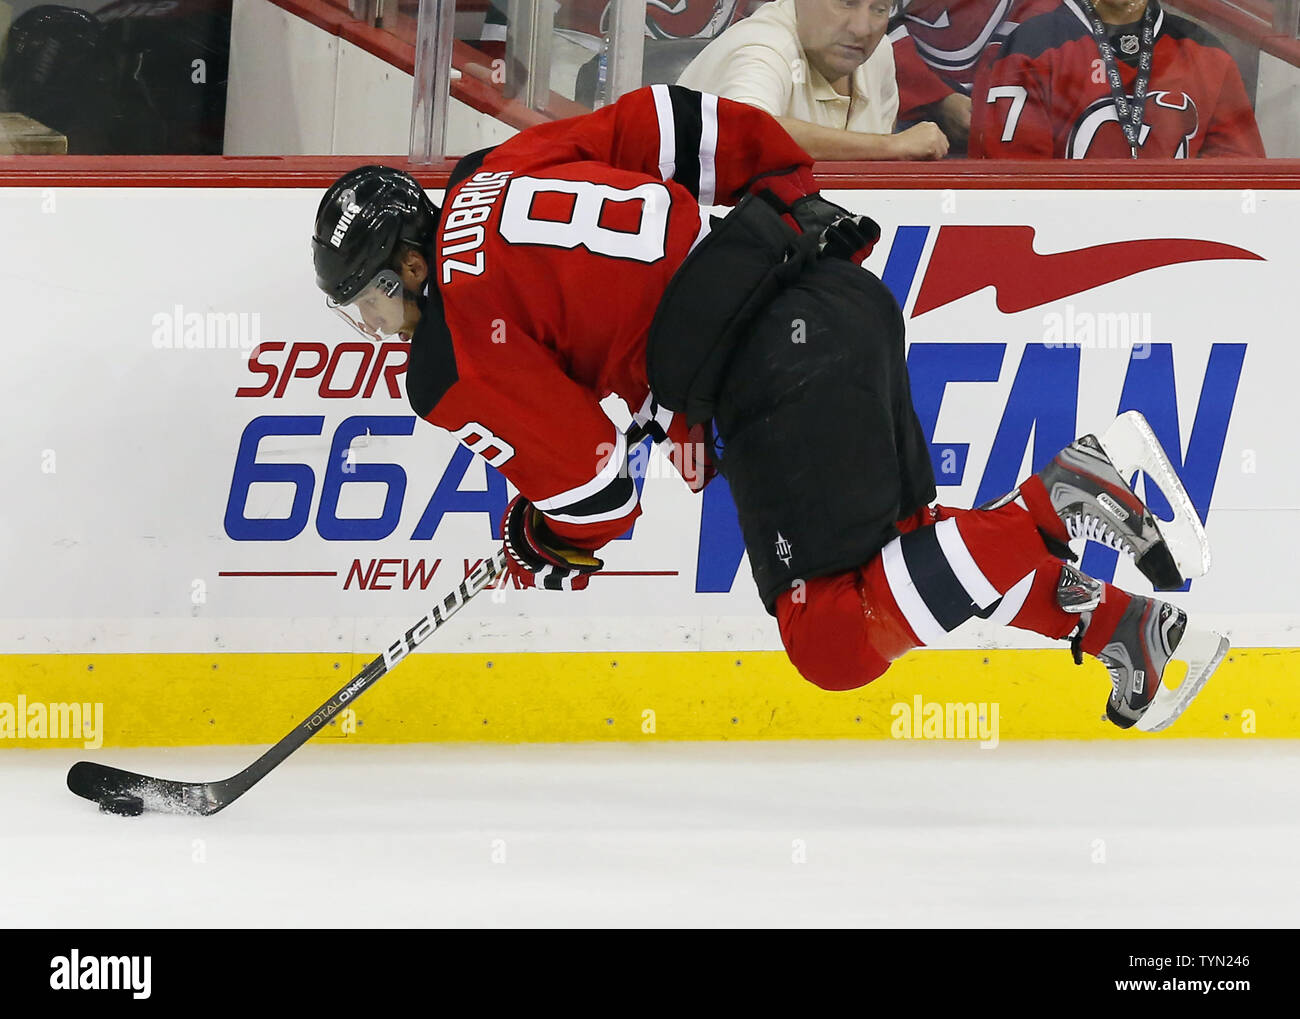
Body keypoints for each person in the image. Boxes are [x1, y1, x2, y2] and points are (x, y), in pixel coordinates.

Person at [311, 84, 1226, 731]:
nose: (377, 327)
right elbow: (665, 121)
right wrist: (788, 187)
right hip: (829, 292)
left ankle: (1063, 492)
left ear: (411, 266)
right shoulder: (496, 167)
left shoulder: (449, 354)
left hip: (770, 369)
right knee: (914, 561)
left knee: (828, 635)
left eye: (370, 301)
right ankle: (1120, 626)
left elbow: (596, 490)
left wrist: (549, 538)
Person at [970, 0, 1266, 158]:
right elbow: (1014, 190)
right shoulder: (1032, 47)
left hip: (1175, 253)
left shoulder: (1208, 55)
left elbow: (1240, 185)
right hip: (1067, 250)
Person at [676, 0, 948, 160]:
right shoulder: (764, 46)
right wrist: (892, 146)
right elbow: (747, 132)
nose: (862, 29)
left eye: (878, 9)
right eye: (846, 2)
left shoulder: (878, 54)